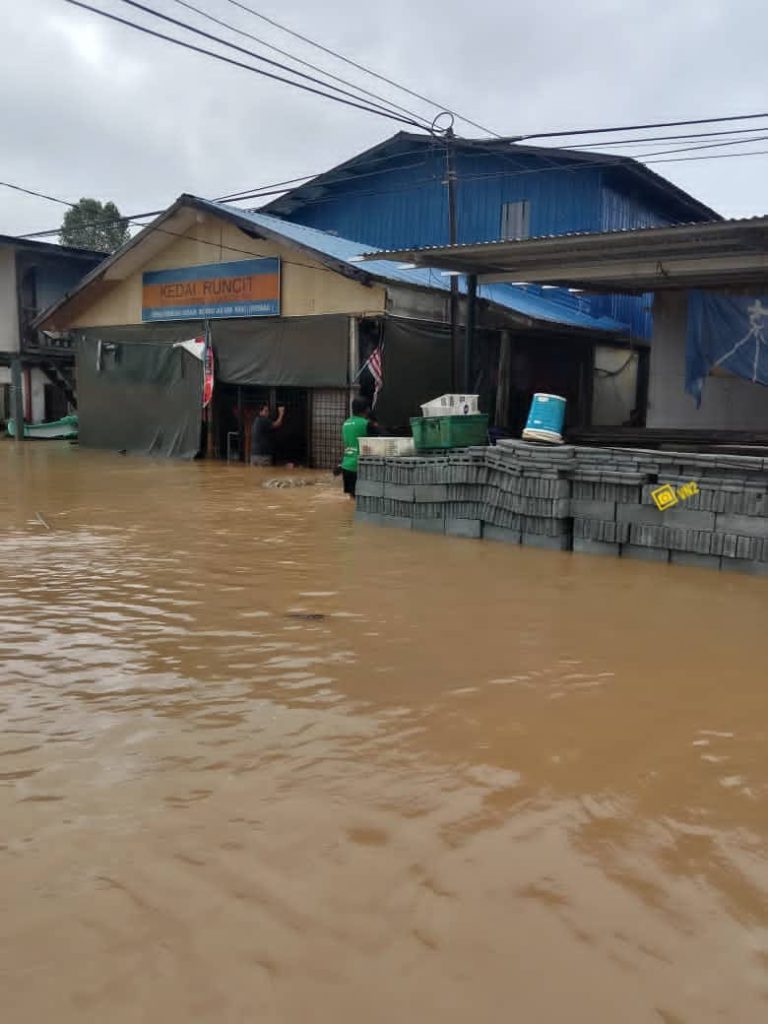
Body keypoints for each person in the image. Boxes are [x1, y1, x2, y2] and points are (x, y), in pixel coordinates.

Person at [340, 397, 373, 497]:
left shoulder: (345, 423)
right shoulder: (366, 424)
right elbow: (383, 435)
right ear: (367, 409)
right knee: (362, 500)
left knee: (352, 499)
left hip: (346, 466)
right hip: (359, 466)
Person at [250, 402, 285, 466]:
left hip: (254, 455)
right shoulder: (263, 420)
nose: (267, 413)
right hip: (263, 456)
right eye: (265, 411)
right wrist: (281, 413)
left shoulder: (256, 420)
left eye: (268, 411)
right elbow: (277, 424)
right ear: (260, 412)